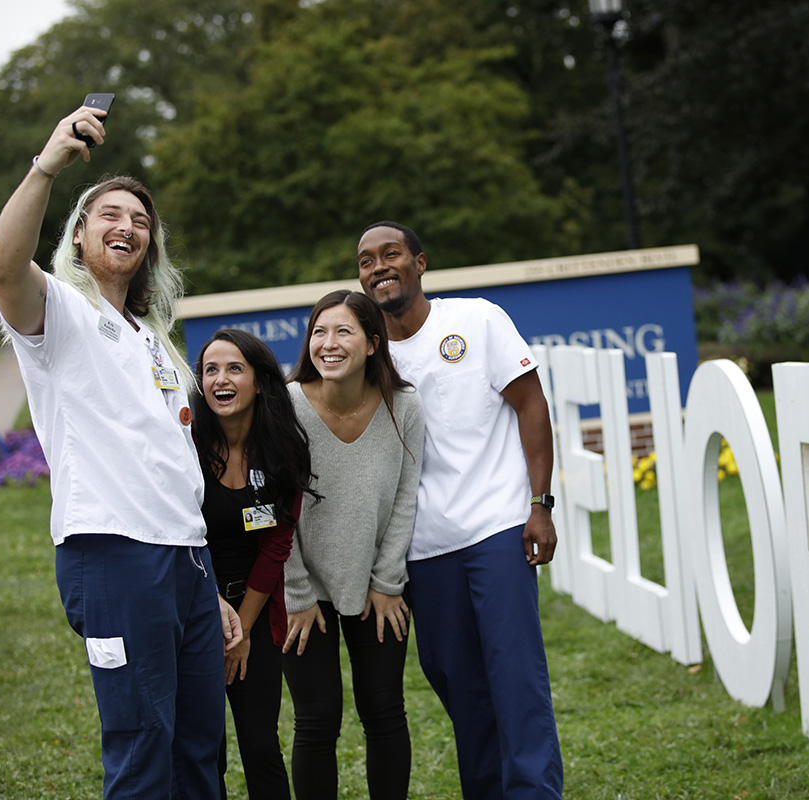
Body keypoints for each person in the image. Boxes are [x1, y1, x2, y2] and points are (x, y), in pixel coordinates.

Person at [0, 104, 242, 799]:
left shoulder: (152, 340)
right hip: (113, 555)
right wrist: (47, 165)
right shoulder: (62, 313)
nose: (127, 224)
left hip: (184, 563)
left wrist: (209, 581)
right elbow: (4, 268)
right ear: (78, 234)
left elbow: (171, 470)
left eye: (139, 218)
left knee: (198, 750)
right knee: (141, 748)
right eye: (109, 214)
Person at [357, 222, 564, 800]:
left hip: (496, 528)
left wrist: (540, 504)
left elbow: (532, 406)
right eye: (366, 260)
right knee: (457, 683)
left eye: (391, 254)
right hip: (423, 549)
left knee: (515, 680)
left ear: (419, 263)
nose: (379, 267)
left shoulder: (477, 320)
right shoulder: (368, 351)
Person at [283, 290, 424, 800]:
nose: (329, 343)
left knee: (385, 711)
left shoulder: (403, 406)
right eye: (320, 332)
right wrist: (295, 593)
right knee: (316, 720)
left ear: (372, 343)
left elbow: (407, 495)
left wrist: (388, 582)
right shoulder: (286, 404)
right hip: (303, 592)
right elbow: (276, 509)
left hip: (377, 586)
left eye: (343, 331)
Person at [193, 329, 318, 800]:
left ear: (260, 381)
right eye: (210, 369)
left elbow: (276, 546)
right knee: (206, 750)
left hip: (256, 613)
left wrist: (241, 631)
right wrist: (213, 615)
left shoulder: (283, 450)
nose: (220, 379)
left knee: (261, 745)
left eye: (234, 368)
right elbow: (177, 537)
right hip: (193, 607)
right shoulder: (185, 447)